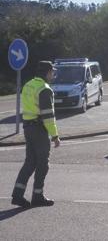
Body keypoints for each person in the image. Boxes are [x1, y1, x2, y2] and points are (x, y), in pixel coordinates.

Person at [11, 61, 61, 208]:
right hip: (39, 129)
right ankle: (37, 196)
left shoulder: (28, 85)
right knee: (43, 164)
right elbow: (48, 116)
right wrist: (55, 136)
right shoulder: (44, 89)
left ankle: (17, 195)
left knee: (30, 162)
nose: (53, 74)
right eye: (52, 72)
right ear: (47, 73)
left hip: (27, 127)